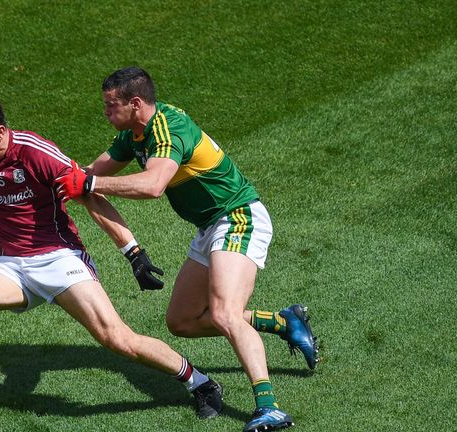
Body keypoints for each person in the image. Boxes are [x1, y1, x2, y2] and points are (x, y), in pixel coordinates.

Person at [0, 90, 224, 418]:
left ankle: (201, 382)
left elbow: (88, 194)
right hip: (12, 267)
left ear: (0, 132)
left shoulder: (36, 153)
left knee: (117, 339)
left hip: (60, 259)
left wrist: (133, 252)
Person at [55, 67, 319, 432]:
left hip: (238, 217)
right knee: (182, 321)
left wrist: (91, 181)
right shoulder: (133, 134)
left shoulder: (168, 128)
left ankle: (268, 406)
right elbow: (89, 176)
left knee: (226, 313)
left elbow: (153, 185)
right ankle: (281, 321)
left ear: (135, 103)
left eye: (109, 106)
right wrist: (60, 180)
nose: (105, 113)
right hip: (210, 227)